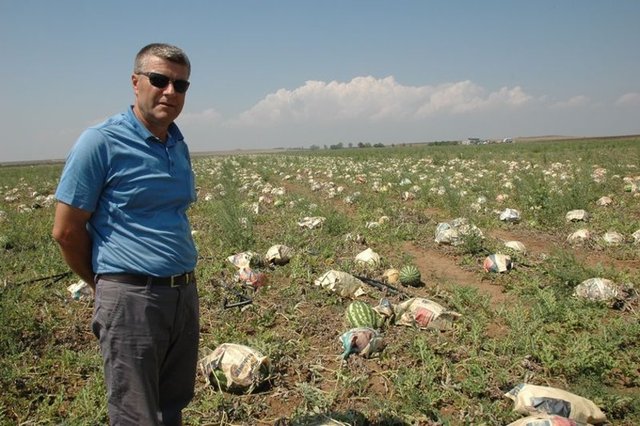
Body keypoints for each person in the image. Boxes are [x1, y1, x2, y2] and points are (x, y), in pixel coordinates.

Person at [52, 43, 199, 426]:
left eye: (180, 85)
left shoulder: (176, 142)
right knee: (136, 415)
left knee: (172, 405)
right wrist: (107, 284)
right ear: (136, 82)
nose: (170, 91)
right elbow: (66, 231)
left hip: (182, 294)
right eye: (159, 80)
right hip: (132, 296)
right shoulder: (100, 142)